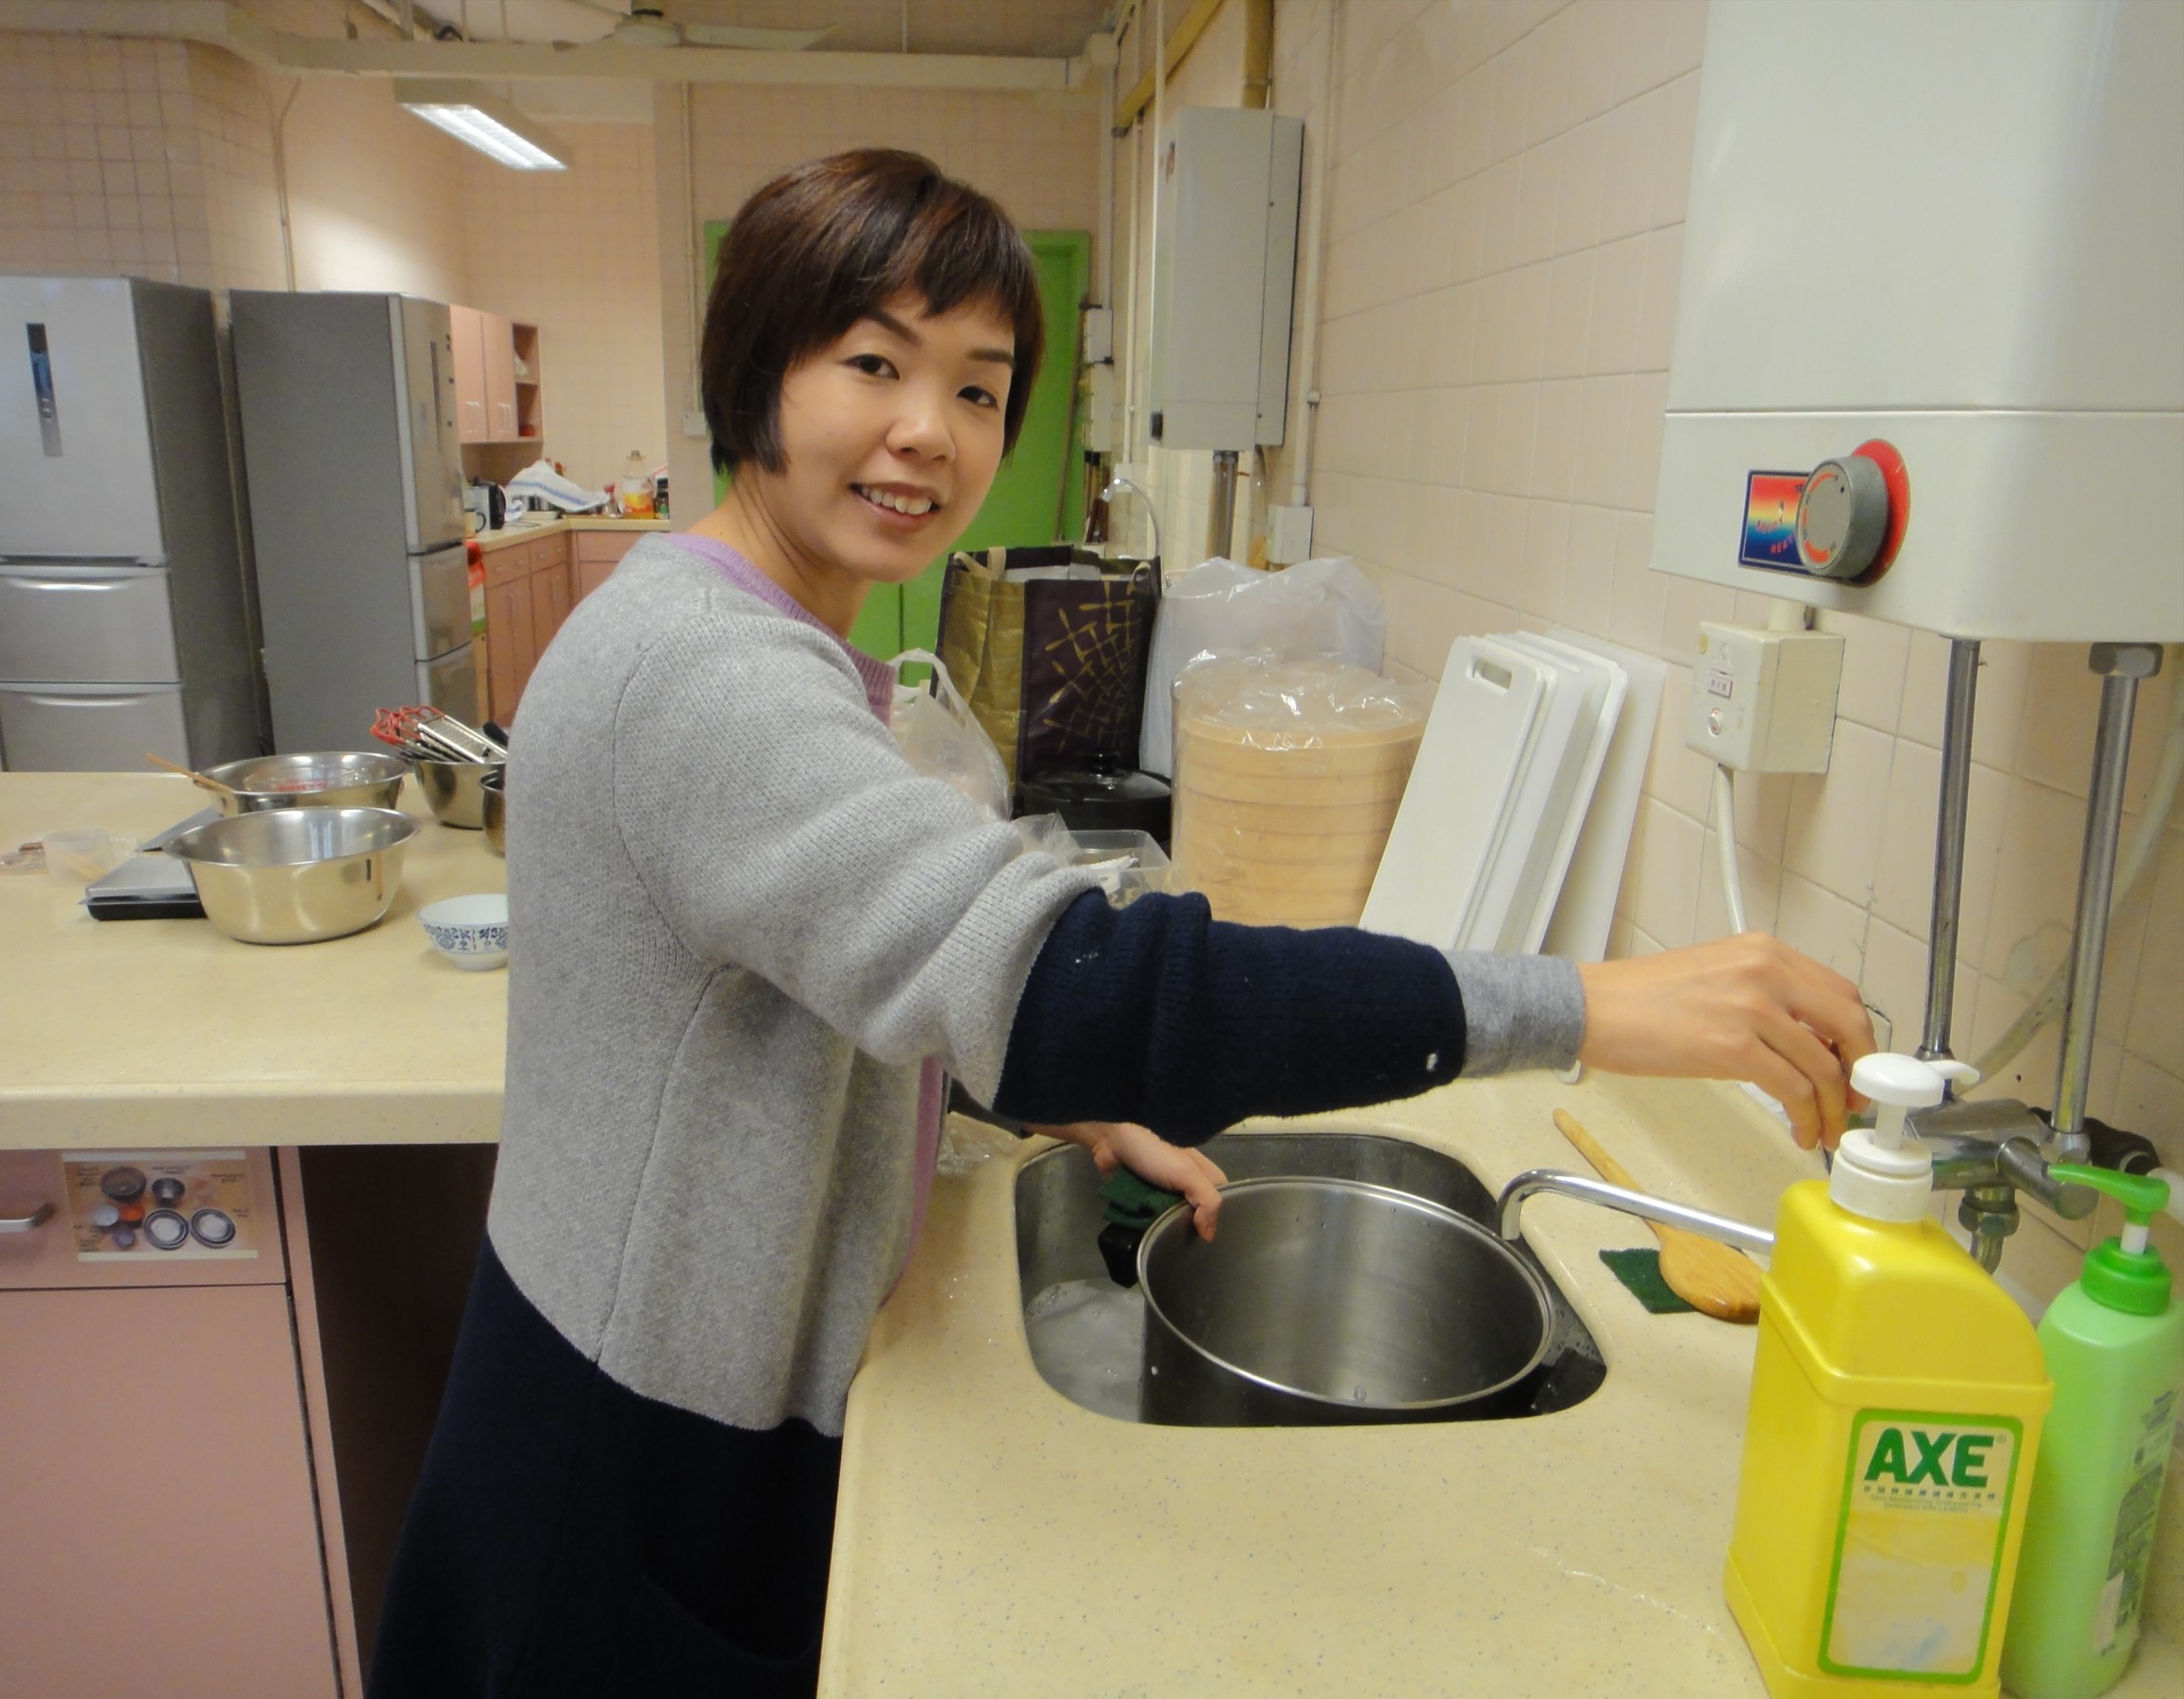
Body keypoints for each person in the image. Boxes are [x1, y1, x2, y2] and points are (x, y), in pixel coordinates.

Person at [369, 150, 1872, 1697]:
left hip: (638, 1405)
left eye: (977, 387)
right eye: (875, 362)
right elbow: (1098, 986)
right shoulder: (707, 675)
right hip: (622, 1475)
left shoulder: (729, 628)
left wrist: (1047, 1091)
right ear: (755, 370)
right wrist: (1593, 1006)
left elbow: (835, 968)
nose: (929, 431)